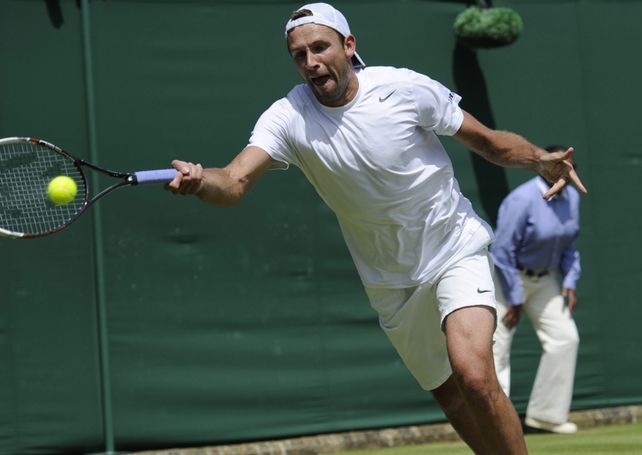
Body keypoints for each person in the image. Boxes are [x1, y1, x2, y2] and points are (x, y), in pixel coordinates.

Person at [166, 3, 586, 454]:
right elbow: (233, 181)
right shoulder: (286, 116)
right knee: (451, 397)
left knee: (475, 375)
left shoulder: (403, 88)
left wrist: (538, 158)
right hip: (389, 280)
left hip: (453, 248)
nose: (311, 62)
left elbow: (487, 142)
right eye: (299, 54)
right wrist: (199, 180)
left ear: (349, 46)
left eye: (320, 47)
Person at [490, 145, 582, 435]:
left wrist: (570, 281)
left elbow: (569, 244)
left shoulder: (572, 198)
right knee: (497, 346)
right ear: (547, 166)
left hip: (545, 280)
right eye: (560, 165)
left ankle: (546, 417)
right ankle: (495, 426)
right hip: (508, 278)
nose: (567, 171)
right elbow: (502, 251)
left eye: (571, 166)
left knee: (565, 338)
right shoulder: (521, 200)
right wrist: (514, 299)